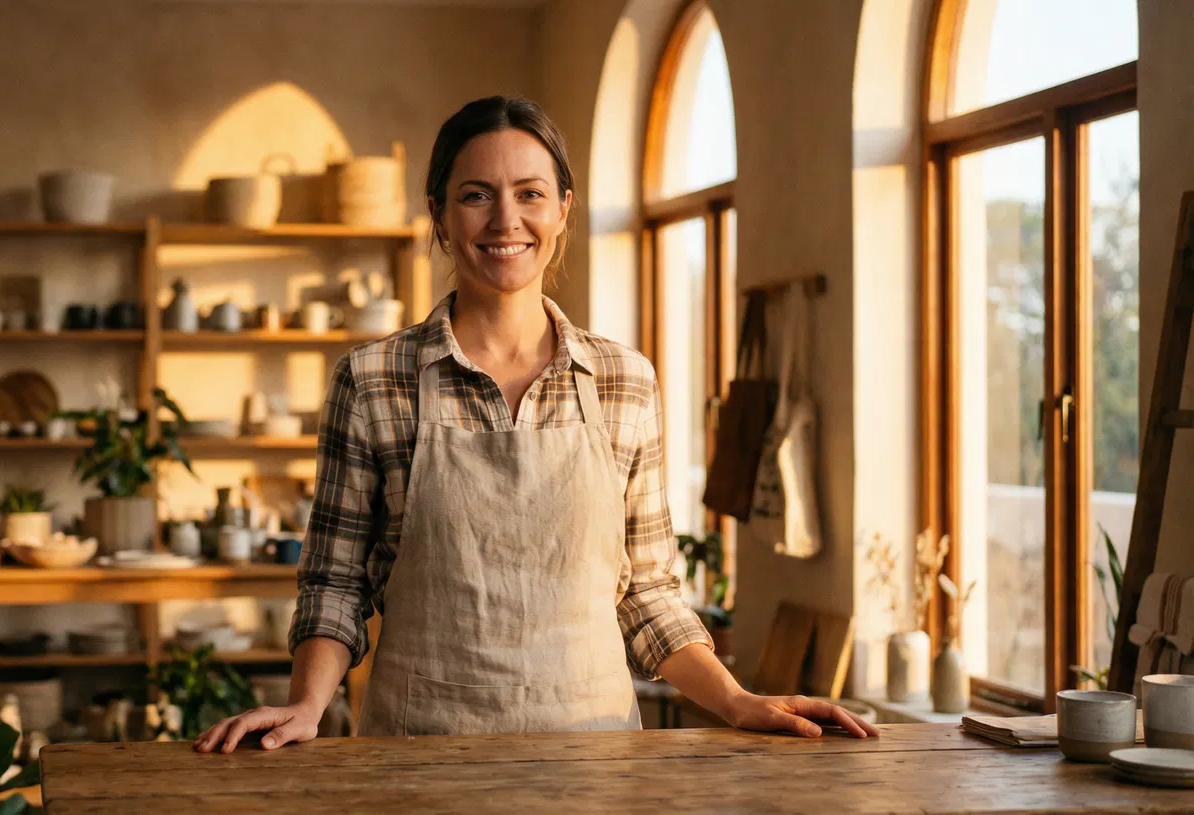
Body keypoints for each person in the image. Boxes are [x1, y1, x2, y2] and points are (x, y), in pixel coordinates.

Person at [194, 96, 876, 752]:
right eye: (475, 195)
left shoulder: (624, 381)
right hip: (419, 756)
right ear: (437, 213)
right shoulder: (373, 379)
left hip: (595, 759)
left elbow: (646, 592)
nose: (505, 220)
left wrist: (736, 700)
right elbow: (335, 579)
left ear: (563, 210)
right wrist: (308, 705)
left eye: (529, 193)